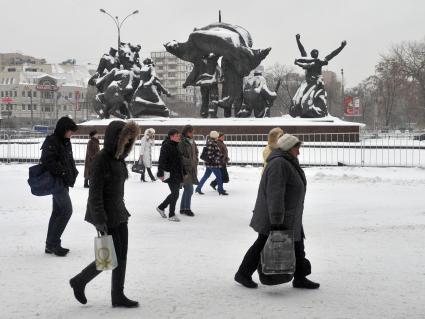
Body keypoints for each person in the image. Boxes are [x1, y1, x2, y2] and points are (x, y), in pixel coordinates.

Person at [234, 134, 320, 290]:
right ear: (288, 148)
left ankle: (300, 277)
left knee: (298, 243)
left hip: (290, 215)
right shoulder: (279, 164)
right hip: (277, 217)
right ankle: (243, 274)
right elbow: (275, 194)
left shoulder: (287, 161)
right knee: (262, 244)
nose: (299, 152)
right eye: (297, 148)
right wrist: (276, 221)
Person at [70, 120, 140, 308]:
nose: (127, 143)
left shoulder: (118, 158)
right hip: (106, 215)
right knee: (110, 257)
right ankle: (79, 281)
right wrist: (100, 219)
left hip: (119, 212)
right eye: (124, 139)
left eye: (129, 140)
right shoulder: (102, 158)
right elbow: (95, 193)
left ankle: (117, 295)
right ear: (115, 138)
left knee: (121, 255)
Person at [40, 116, 78, 257]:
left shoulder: (66, 141)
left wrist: (72, 172)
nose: (71, 134)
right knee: (67, 210)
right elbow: (47, 160)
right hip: (56, 182)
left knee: (57, 212)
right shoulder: (52, 141)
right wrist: (62, 171)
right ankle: (54, 243)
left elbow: (68, 160)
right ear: (63, 129)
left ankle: (50, 245)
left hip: (63, 181)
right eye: (70, 131)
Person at [156, 129, 185, 222]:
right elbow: (162, 160)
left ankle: (161, 207)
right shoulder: (166, 146)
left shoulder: (176, 145)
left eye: (178, 135)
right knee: (175, 193)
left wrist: (183, 171)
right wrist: (160, 173)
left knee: (175, 193)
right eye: (176, 136)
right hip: (170, 173)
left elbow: (179, 160)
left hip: (177, 173)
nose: (178, 137)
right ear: (171, 136)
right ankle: (171, 214)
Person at [195, 131, 228, 195]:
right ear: (215, 136)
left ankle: (198, 188)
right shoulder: (211, 143)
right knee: (219, 177)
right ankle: (220, 190)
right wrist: (218, 159)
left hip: (210, 164)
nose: (218, 137)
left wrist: (222, 157)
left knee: (206, 176)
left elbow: (216, 153)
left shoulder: (213, 142)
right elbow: (210, 155)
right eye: (217, 136)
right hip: (213, 164)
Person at [178, 125, 199, 216]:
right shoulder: (182, 142)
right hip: (185, 169)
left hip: (192, 168)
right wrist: (189, 161)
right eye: (191, 132)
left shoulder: (192, 141)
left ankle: (183, 208)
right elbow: (179, 156)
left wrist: (196, 160)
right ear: (187, 132)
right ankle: (187, 209)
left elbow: (196, 151)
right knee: (190, 189)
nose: (193, 133)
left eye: (193, 132)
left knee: (187, 189)